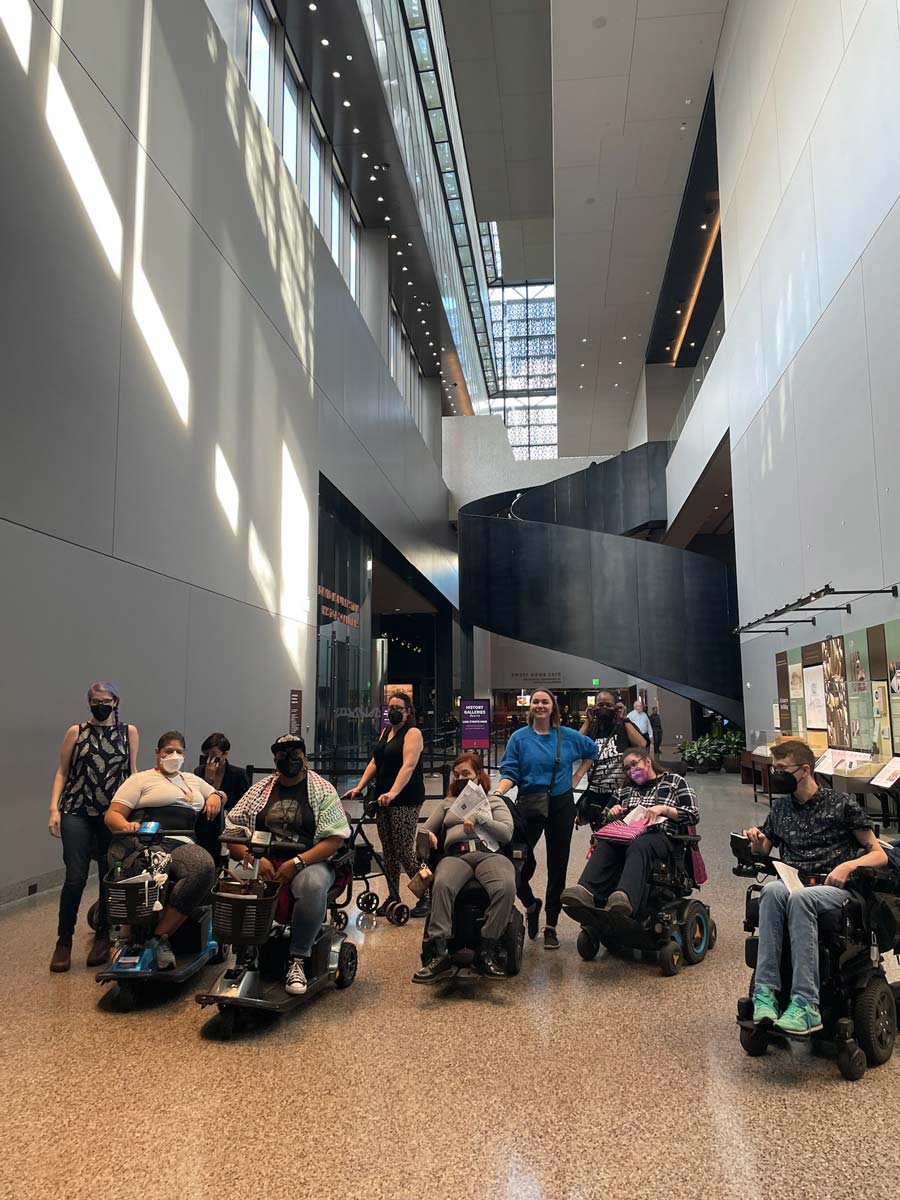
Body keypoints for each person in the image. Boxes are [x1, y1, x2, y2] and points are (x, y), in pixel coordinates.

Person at [741, 739, 887, 1036]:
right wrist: (757, 843)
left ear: (805, 770)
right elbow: (765, 848)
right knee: (770, 891)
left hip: (836, 888)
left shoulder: (841, 805)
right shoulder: (781, 809)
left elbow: (879, 853)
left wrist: (848, 866)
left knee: (801, 900)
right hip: (795, 881)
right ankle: (766, 992)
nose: (776, 773)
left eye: (782, 768)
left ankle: (806, 1004)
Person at [225, 734, 350, 996]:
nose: (289, 759)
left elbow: (336, 838)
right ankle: (243, 953)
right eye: (282, 754)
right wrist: (253, 858)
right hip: (263, 859)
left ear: (304, 757)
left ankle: (298, 959)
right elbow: (233, 829)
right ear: (274, 759)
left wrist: (298, 862)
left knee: (312, 885)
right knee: (231, 882)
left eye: (294, 753)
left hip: (309, 859)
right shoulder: (261, 789)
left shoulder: (322, 790)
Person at [104, 731, 222, 970]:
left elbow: (216, 792)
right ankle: (131, 933)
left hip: (185, 842)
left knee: (203, 867)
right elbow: (112, 815)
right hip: (150, 840)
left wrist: (216, 796)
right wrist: (128, 826)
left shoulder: (191, 779)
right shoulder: (141, 780)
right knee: (150, 867)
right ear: (157, 753)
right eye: (168, 751)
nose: (174, 756)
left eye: (179, 752)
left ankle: (158, 938)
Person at [493, 690, 598, 948]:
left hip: (561, 805)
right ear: (530, 707)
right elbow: (510, 771)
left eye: (544, 702)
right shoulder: (519, 738)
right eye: (535, 702)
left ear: (553, 707)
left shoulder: (567, 736)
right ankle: (531, 904)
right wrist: (498, 792)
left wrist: (576, 778)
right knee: (517, 862)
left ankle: (551, 924)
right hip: (529, 804)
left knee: (557, 864)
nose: (540, 706)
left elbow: (592, 751)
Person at [48, 682, 140, 973]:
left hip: (111, 813)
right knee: (75, 877)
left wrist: (138, 808)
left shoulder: (129, 732)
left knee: (108, 875)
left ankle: (103, 934)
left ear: (115, 702)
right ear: (89, 703)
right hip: (76, 810)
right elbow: (62, 771)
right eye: (95, 701)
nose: (101, 705)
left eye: (106, 700)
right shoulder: (77, 732)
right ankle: (64, 940)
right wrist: (54, 808)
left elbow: (133, 773)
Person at [413, 753, 516, 982]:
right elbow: (425, 831)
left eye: (466, 774)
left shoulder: (494, 801)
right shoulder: (448, 803)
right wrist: (428, 836)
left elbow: (507, 833)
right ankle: (439, 952)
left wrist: (481, 818)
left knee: (506, 886)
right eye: (457, 774)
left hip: (488, 853)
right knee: (442, 884)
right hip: (456, 854)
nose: (460, 778)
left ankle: (486, 949)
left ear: (478, 776)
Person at [562, 747, 699, 918]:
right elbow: (604, 819)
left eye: (634, 764)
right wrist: (612, 813)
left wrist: (663, 809)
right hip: (625, 835)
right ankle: (586, 891)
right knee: (606, 844)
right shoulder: (624, 790)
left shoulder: (674, 782)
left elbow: (692, 815)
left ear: (647, 762)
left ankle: (625, 897)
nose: (631, 770)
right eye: (627, 768)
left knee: (640, 844)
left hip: (661, 837)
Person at [347, 692, 428, 918]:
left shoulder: (412, 733)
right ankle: (394, 895)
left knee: (404, 850)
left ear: (408, 711)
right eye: (390, 707)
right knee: (389, 852)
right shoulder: (386, 732)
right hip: (383, 798)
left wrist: (393, 792)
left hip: (406, 797)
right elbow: (375, 762)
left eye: (398, 708)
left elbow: (408, 766)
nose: (393, 711)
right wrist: (360, 786)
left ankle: (427, 893)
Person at [192, 732, 250, 859]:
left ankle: (217, 860)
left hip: (229, 818)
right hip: (206, 817)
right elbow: (198, 798)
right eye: (206, 755)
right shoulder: (199, 771)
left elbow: (244, 802)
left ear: (225, 754)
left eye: (214, 756)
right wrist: (209, 779)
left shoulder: (239, 774)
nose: (209, 760)